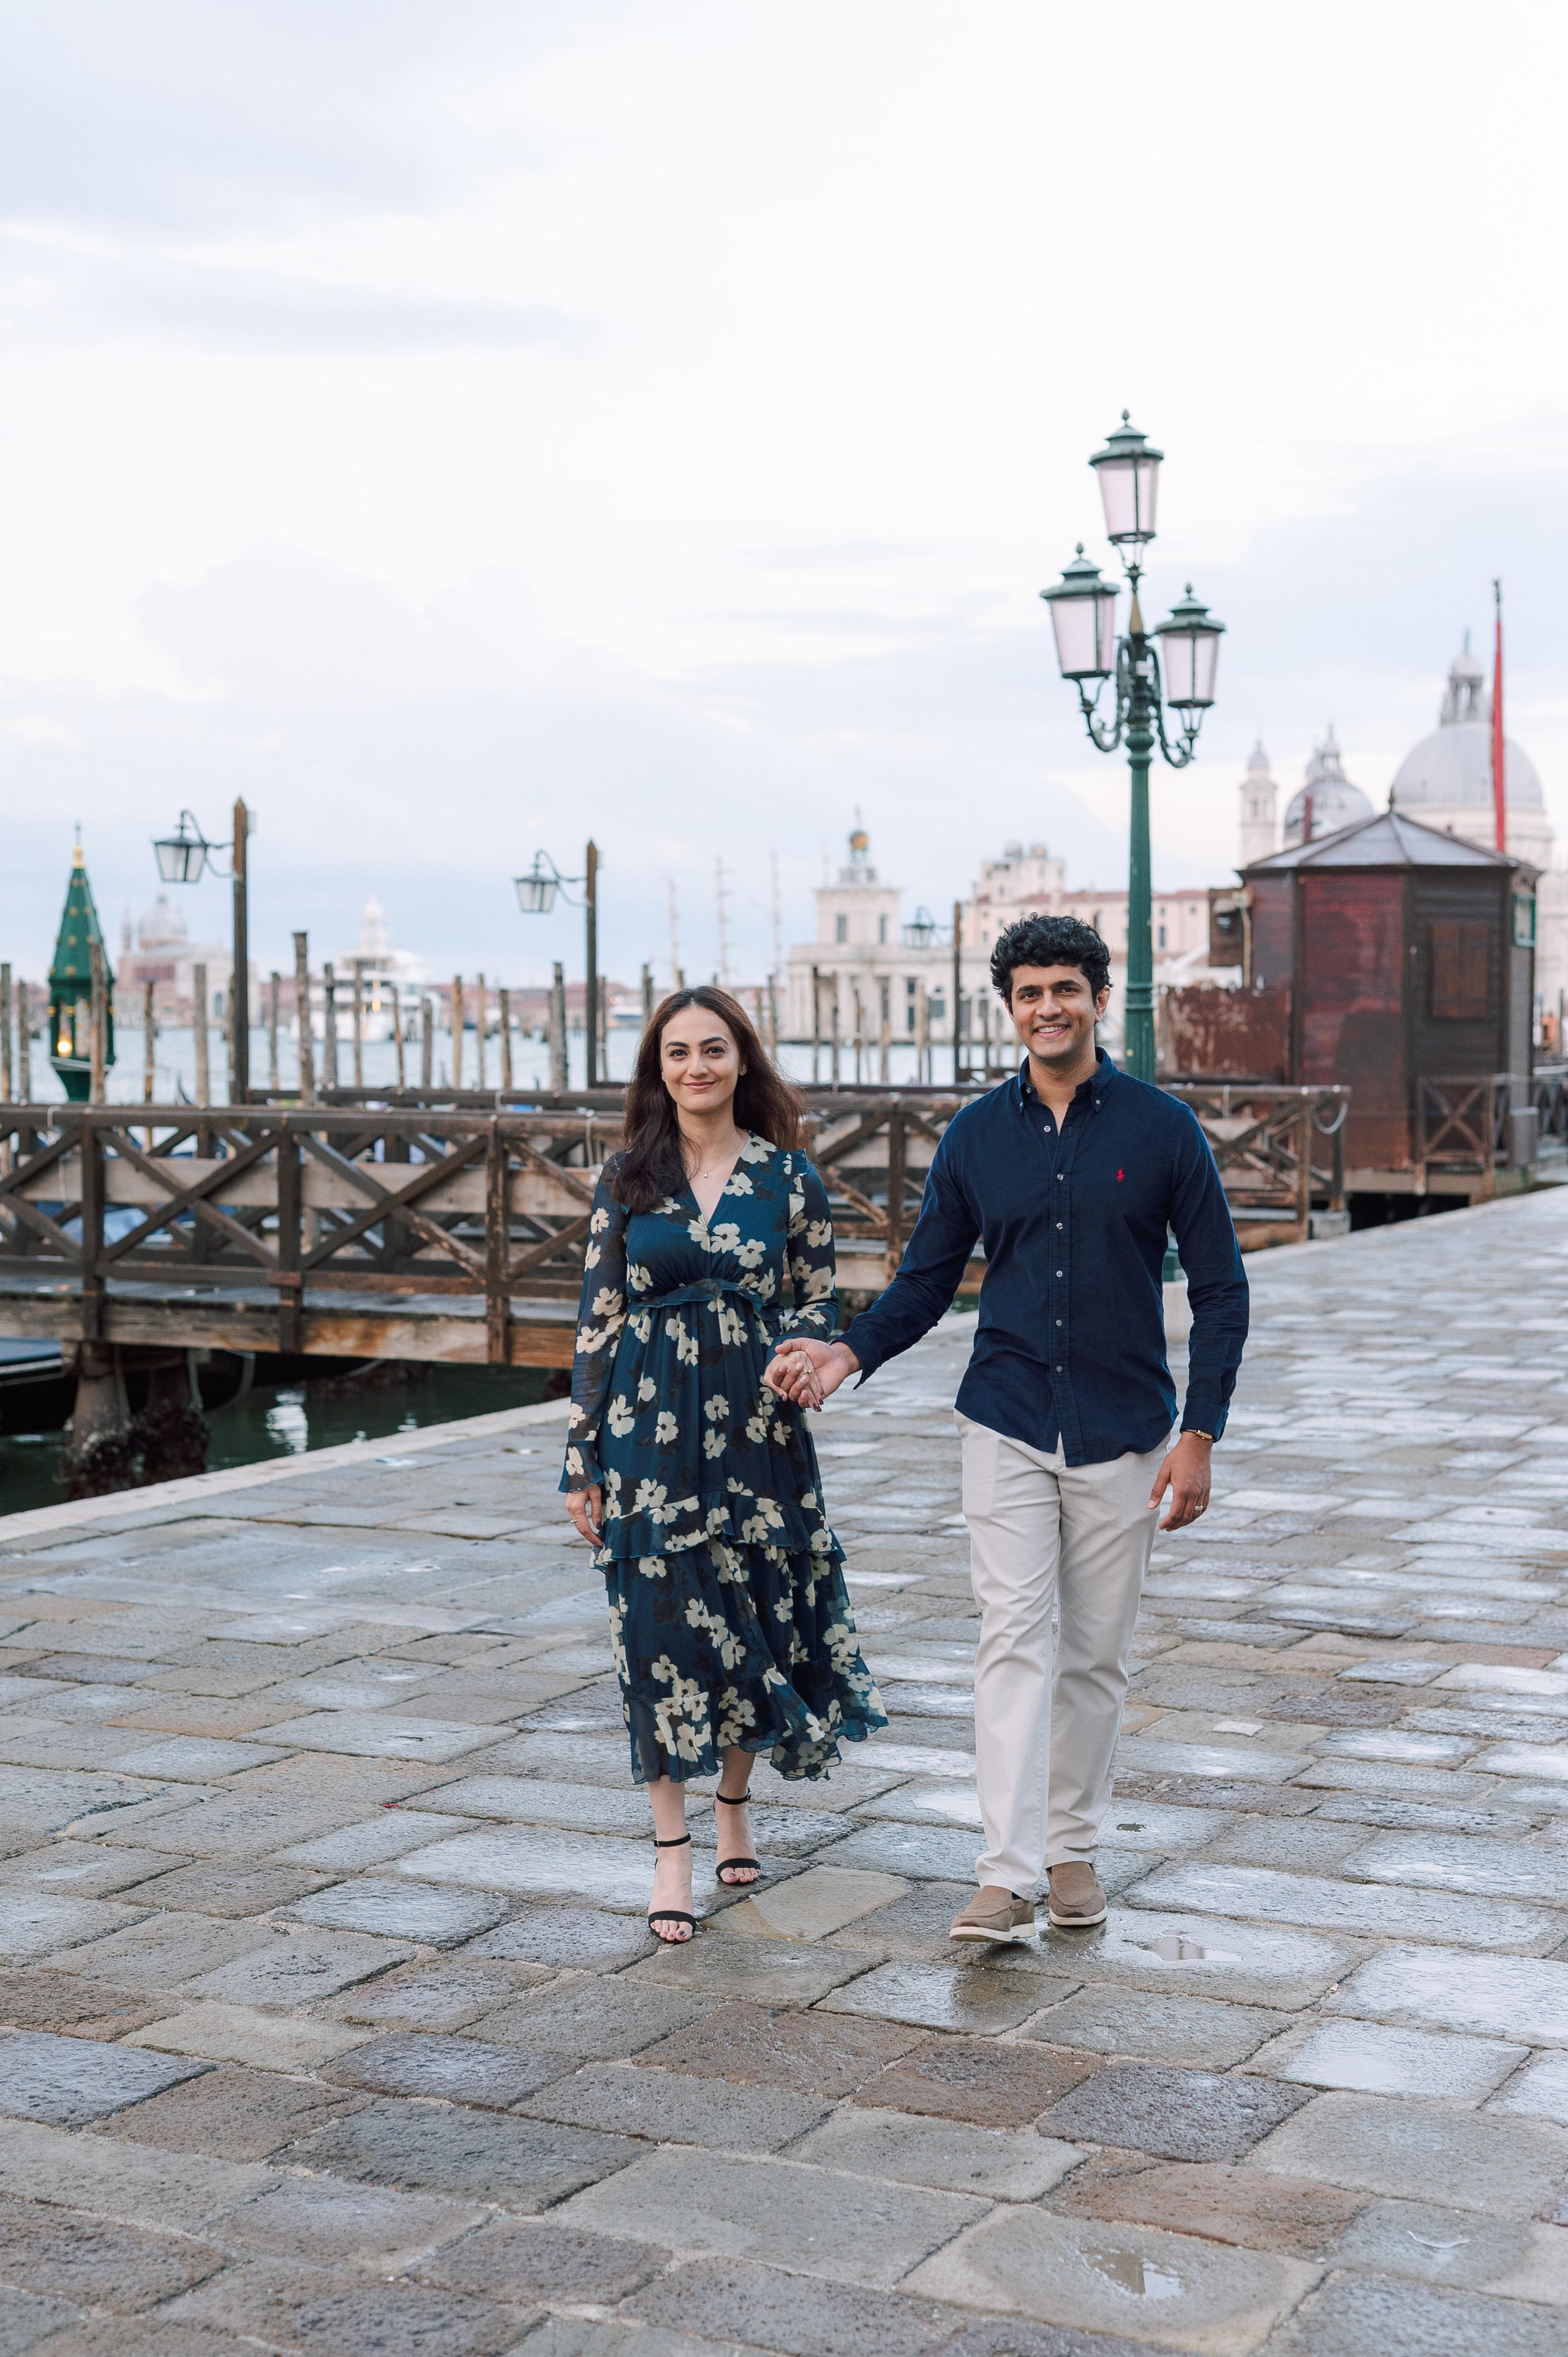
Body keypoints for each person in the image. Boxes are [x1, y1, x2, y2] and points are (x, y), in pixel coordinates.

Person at [769, 914, 1248, 1942]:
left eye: (1065, 989)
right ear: (1010, 1007)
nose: (1047, 1008)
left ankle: (1072, 1849)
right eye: (1029, 993)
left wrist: (1201, 1432)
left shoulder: (1163, 1131)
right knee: (1012, 1642)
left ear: (1098, 997)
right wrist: (849, 1353)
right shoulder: (977, 1137)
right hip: (1007, 1420)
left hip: (1126, 1429)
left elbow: (1221, 1289)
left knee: (1096, 1656)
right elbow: (927, 1280)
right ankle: (1005, 1872)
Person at [562, 984, 886, 1942]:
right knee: (656, 1634)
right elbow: (596, 1322)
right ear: (657, 1071)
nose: (695, 1067)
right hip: (646, 1434)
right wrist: (581, 1456)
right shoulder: (626, 1177)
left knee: (759, 1617)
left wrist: (804, 1352)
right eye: (677, 1054)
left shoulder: (791, 1179)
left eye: (712, 1050)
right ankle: (671, 1854)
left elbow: (819, 1304)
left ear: (742, 1061)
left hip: (759, 1431)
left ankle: (734, 1804)